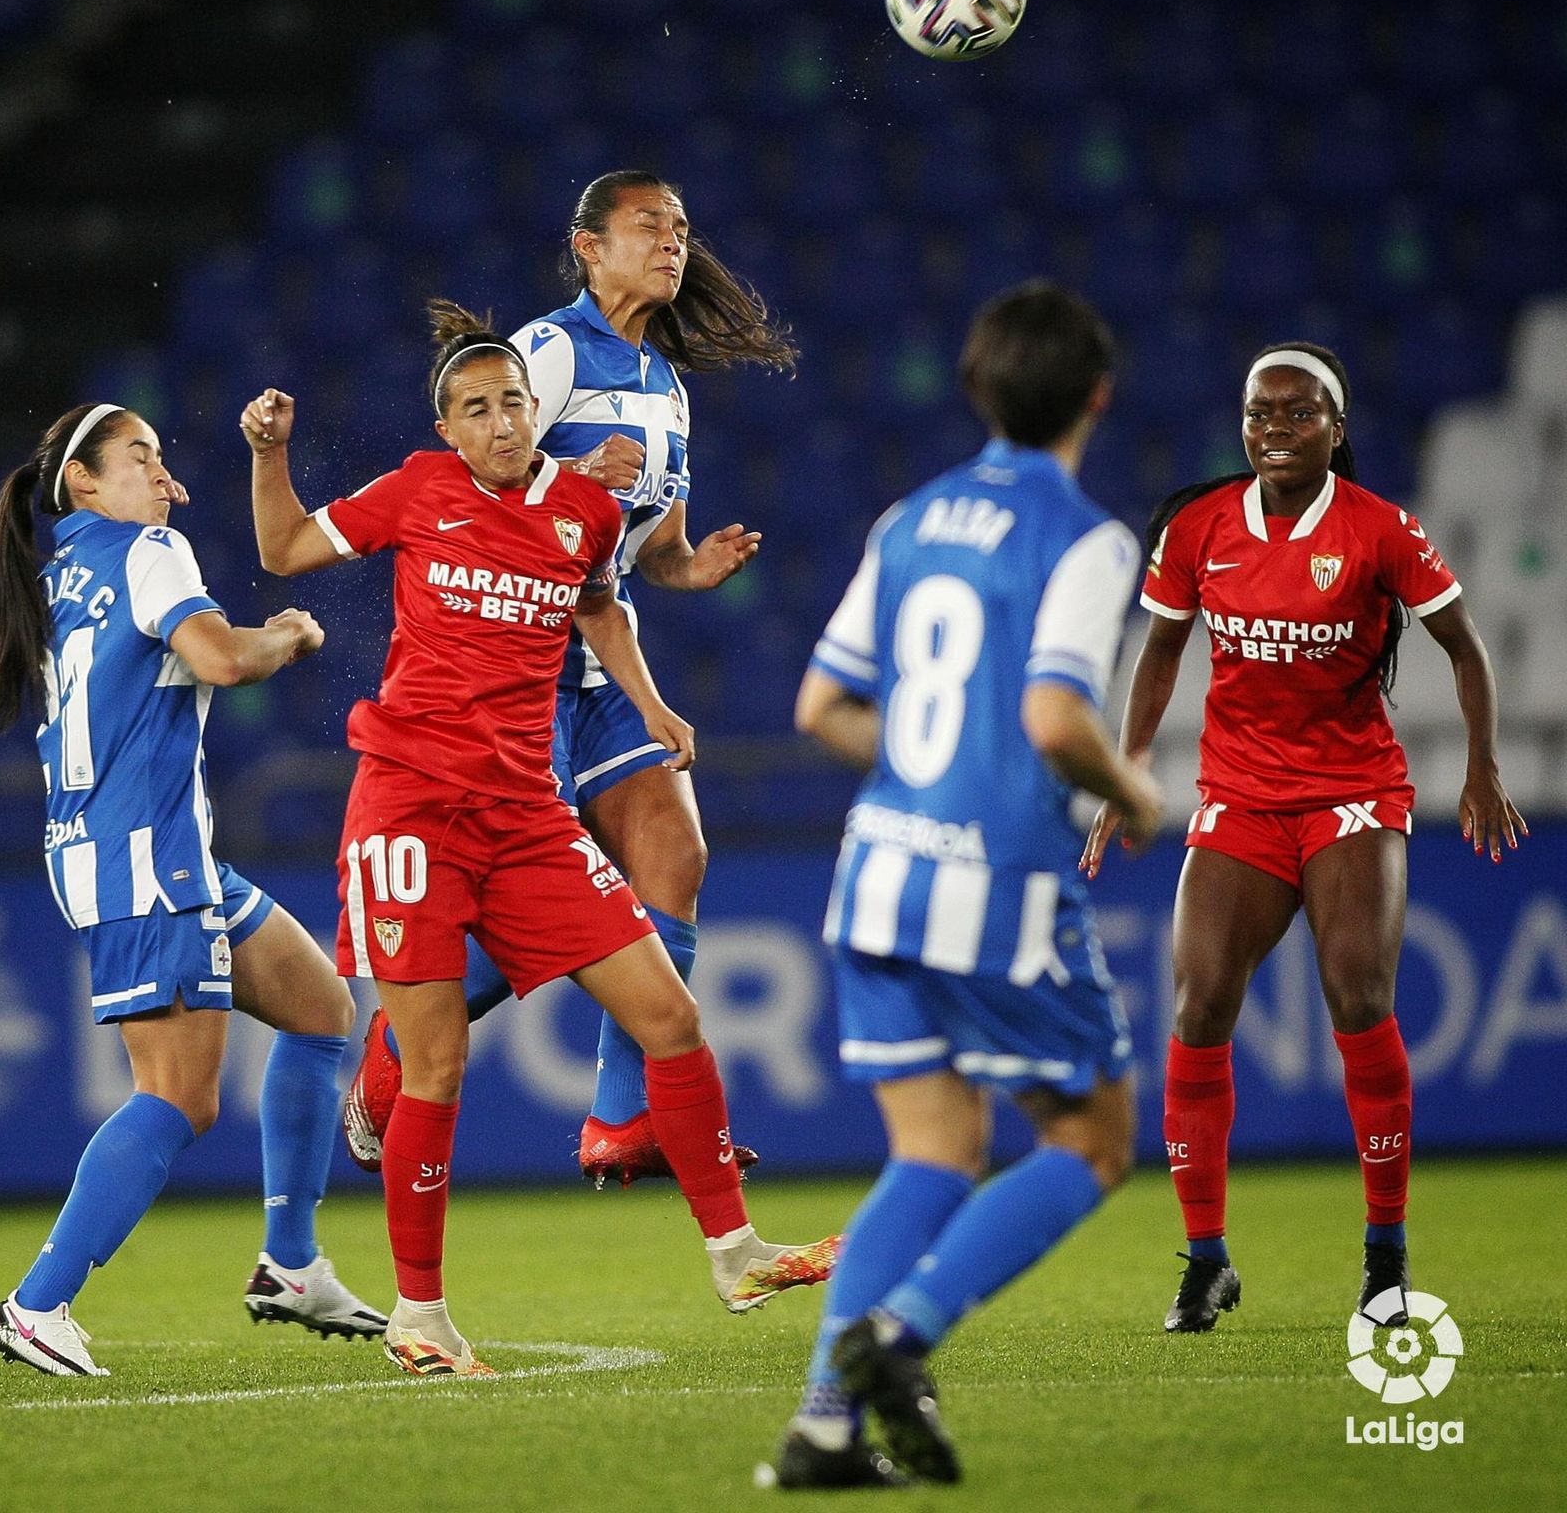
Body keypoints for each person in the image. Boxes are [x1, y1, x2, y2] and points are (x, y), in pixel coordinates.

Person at [241, 302, 835, 1379]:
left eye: (512, 399)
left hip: (525, 819)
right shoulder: (415, 491)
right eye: (477, 408)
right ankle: (420, 1315)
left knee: (670, 1013)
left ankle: (736, 1249)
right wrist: (272, 452)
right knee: (438, 1061)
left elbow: (599, 607)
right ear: (450, 431)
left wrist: (650, 706)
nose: (503, 420)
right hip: (411, 807)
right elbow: (282, 549)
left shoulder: (584, 508)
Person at [763, 282, 1163, 1490]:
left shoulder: (910, 516)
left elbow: (818, 707)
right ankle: (900, 1332)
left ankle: (823, 1428)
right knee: (1091, 1140)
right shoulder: (1086, 538)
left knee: (932, 1149)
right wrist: (1137, 798)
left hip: (878, 869)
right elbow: (1053, 716)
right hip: (996, 883)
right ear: (1098, 394)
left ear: (977, 388)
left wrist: (927, 782)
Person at [341, 170, 795, 1189]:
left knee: (674, 855)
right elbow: (467, 483)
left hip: (599, 655)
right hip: (519, 672)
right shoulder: (547, 353)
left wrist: (692, 566)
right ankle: (394, 1045)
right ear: (589, 246)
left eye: (681, 227)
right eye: (649, 227)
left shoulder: (667, 386)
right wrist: (562, 485)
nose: (672, 242)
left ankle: (619, 1118)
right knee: (517, 914)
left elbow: (645, 550)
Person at [1081, 341, 1527, 1336]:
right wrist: (1126, 767)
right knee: (1197, 1005)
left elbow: (1465, 646)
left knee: (1358, 993)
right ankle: (1204, 1261)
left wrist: (1484, 767)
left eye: (1296, 413)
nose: (1273, 430)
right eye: (1258, 413)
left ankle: (1384, 1257)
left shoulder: (1380, 531)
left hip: (1352, 794)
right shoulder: (1200, 528)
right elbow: (1159, 653)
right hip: (1238, 793)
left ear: (1337, 427)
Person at [0, 402, 387, 1379]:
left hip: (138, 853)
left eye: (162, 459)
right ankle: (36, 1304)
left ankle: (289, 1264)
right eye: (142, 459)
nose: (169, 480)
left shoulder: (64, 572)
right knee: (179, 1097)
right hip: (146, 862)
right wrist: (284, 633)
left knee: (323, 1008)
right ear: (82, 482)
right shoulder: (146, 547)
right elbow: (220, 658)